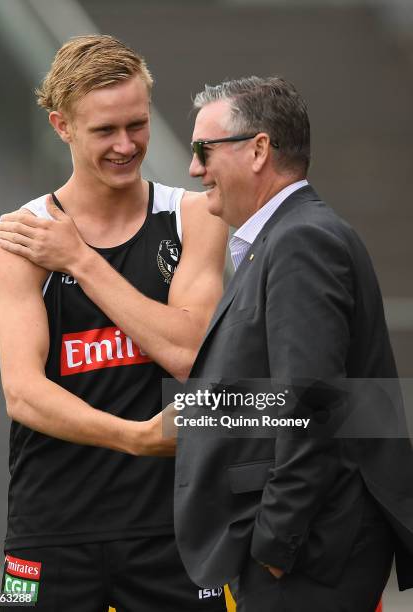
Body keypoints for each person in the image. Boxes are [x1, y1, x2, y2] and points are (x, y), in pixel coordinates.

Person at [0, 35, 228, 611]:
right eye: (104, 131)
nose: (126, 145)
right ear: (61, 126)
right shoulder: (22, 234)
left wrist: (79, 260)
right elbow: (23, 394)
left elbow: (189, 354)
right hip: (51, 529)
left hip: (172, 530)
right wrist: (137, 439)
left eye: (137, 125)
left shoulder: (194, 216)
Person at [172, 76, 413, 611]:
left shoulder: (301, 239)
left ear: (258, 150)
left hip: (308, 556)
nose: (194, 168)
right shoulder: (284, 237)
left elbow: (311, 404)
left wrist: (275, 545)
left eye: (203, 149)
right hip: (306, 549)